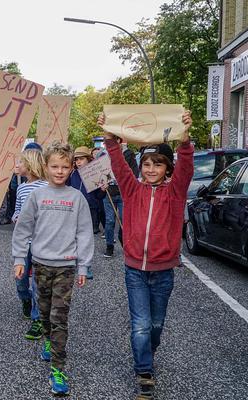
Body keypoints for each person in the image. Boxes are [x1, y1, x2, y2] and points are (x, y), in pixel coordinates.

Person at [98, 111, 193, 400]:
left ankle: (147, 352)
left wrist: (185, 138)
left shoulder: (175, 192)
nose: (151, 169)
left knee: (155, 325)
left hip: (163, 271)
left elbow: (186, 166)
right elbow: (116, 162)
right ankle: (144, 372)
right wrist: (109, 135)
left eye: (158, 164)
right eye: (147, 164)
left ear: (167, 168)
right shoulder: (131, 189)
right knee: (140, 324)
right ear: (140, 166)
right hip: (134, 270)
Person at [12, 142, 93, 396]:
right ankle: (46, 338)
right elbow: (23, 228)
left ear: (71, 169)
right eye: (54, 166)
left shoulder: (76, 197)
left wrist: (84, 266)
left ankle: (58, 368)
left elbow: (84, 232)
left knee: (60, 318)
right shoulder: (36, 196)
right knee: (45, 312)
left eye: (65, 167)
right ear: (45, 167)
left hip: (66, 266)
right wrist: (18, 259)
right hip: (41, 264)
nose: (59, 171)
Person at [12, 147, 48, 341]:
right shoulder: (21, 188)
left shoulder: (46, 187)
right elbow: (16, 210)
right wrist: (17, 217)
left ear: (31, 164)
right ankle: (25, 299)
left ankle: (37, 319)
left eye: (22, 162)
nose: (19, 165)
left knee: (38, 282)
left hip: (41, 242)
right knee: (21, 279)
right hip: (22, 242)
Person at [67, 145, 106, 279]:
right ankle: (73, 262)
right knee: (72, 236)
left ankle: (86, 265)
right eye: (76, 159)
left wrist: (102, 190)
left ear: (88, 159)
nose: (78, 162)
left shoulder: (94, 173)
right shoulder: (71, 173)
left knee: (86, 238)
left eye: (81, 159)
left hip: (90, 208)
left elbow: (98, 197)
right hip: (72, 208)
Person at [102, 138, 139, 258]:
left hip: (124, 194)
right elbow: (98, 174)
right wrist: (101, 184)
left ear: (119, 141)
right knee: (110, 221)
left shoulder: (129, 155)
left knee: (124, 220)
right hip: (109, 193)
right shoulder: (103, 156)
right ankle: (109, 246)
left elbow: (135, 173)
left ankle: (123, 240)